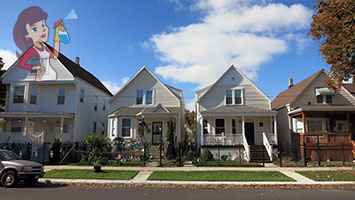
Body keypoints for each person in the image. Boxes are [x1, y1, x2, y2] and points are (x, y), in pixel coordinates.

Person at [13, 6, 67, 81]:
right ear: (27, 35)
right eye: (35, 29)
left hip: (52, 77)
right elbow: (22, 64)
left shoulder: (45, 48)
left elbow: (55, 56)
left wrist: (57, 36)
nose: (43, 29)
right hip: (43, 79)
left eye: (43, 25)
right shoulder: (32, 50)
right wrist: (37, 67)